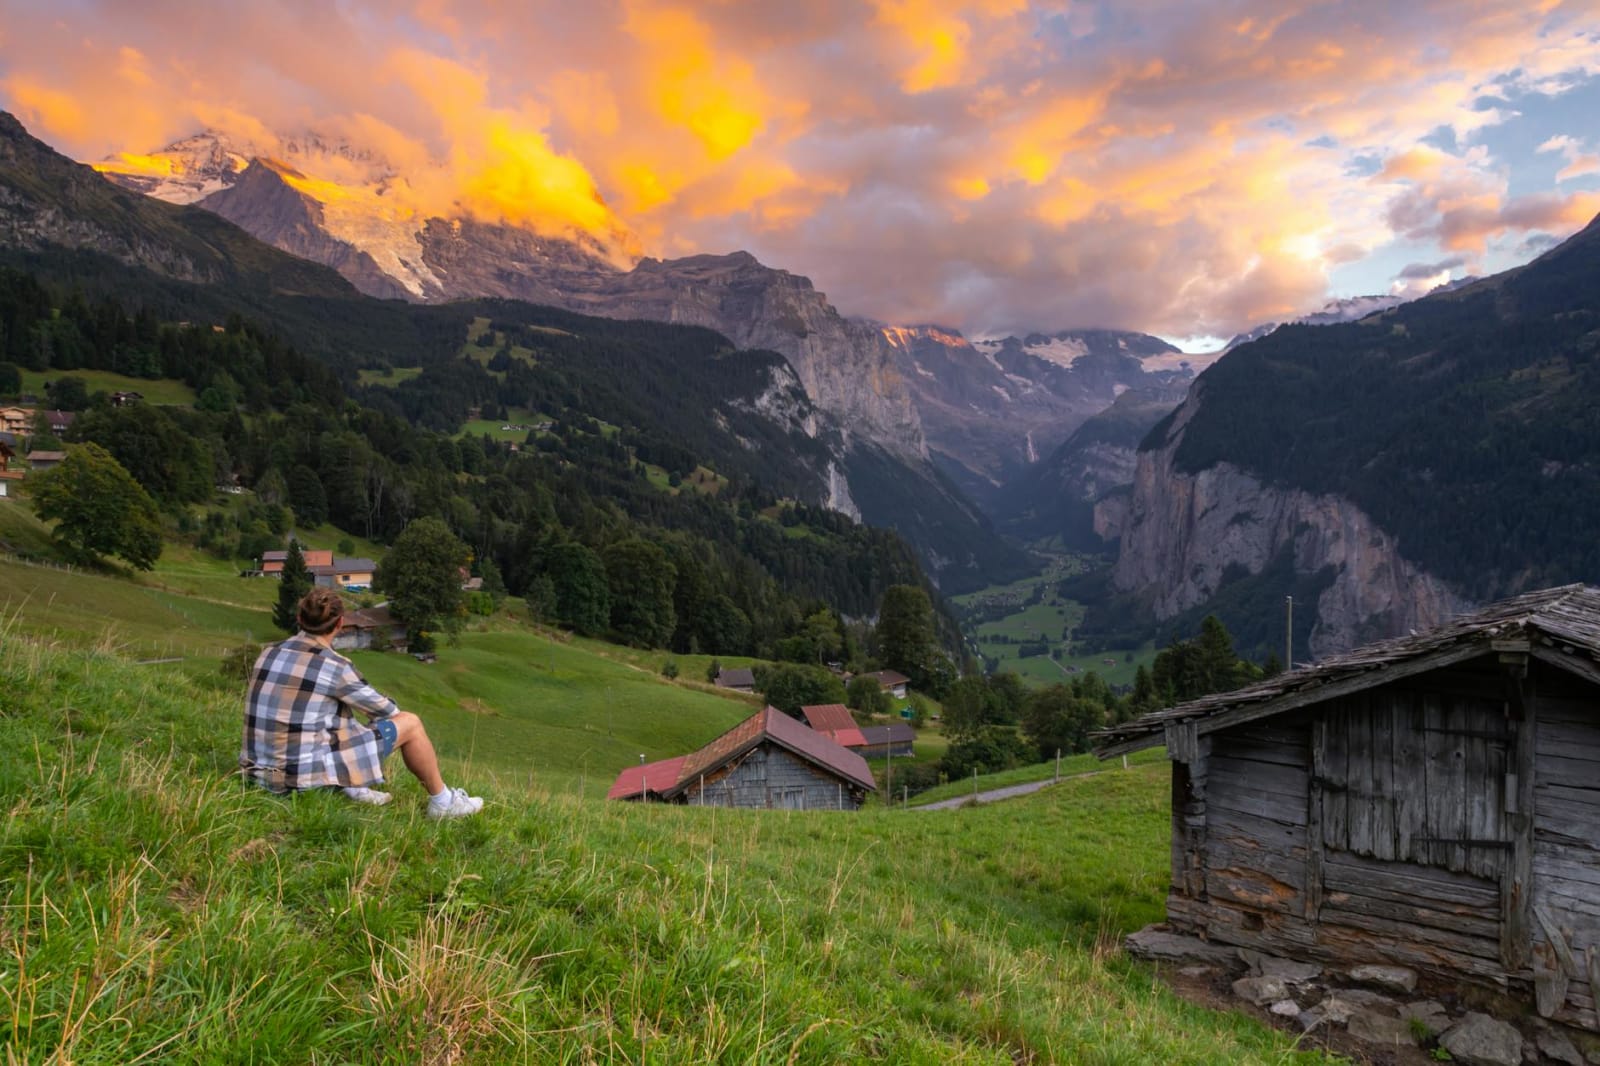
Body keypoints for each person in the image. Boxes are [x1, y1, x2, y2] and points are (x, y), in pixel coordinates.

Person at [240, 586, 483, 818]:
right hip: (298, 782)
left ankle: (353, 786)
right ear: (340, 623)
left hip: (255, 774)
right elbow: (388, 712)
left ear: (299, 618)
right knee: (410, 723)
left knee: (331, 713)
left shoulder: (268, 652)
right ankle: (443, 802)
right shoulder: (334, 666)